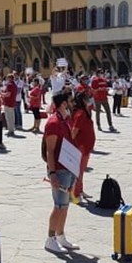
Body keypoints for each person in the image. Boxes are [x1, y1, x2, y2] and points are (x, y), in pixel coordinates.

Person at [43, 93, 80, 254]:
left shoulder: (65, 120)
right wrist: (52, 174)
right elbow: (50, 151)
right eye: (70, 102)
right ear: (64, 103)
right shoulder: (53, 122)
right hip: (58, 169)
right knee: (58, 205)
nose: (73, 104)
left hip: (68, 167)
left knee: (65, 205)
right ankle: (50, 238)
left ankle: (60, 235)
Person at [70, 91, 95, 201]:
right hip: (81, 146)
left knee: (81, 170)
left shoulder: (85, 112)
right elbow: (74, 130)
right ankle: (75, 193)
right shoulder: (80, 114)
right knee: (79, 170)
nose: (89, 100)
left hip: (86, 145)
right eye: (87, 98)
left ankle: (79, 190)